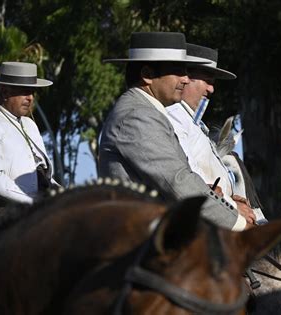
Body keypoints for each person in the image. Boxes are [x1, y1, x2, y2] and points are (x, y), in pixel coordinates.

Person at [99, 32, 250, 230]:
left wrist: (224, 203)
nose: (186, 79)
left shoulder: (148, 112)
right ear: (147, 75)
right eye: (178, 71)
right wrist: (237, 222)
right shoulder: (137, 116)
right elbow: (176, 181)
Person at [166, 43, 263, 224]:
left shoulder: (194, 125)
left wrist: (231, 197)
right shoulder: (176, 118)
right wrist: (231, 205)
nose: (211, 89)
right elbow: (188, 178)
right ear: (185, 78)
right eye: (207, 80)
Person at [0, 61, 58, 206]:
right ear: (5, 92)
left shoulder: (30, 125)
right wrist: (33, 201)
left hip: (43, 203)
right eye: (24, 91)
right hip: (10, 210)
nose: (30, 98)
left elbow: (46, 175)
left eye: (32, 92)